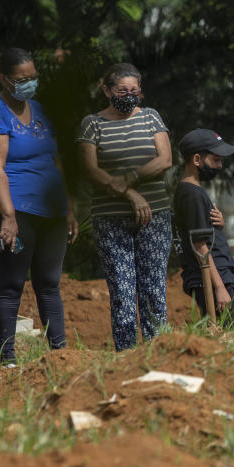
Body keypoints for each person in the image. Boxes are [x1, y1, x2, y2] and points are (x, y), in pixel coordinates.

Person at [0, 48, 78, 366]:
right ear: (3, 79)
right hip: (13, 209)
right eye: (22, 79)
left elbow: (57, 162)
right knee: (12, 282)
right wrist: (8, 216)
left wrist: (68, 208)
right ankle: (8, 360)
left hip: (51, 209)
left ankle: (59, 355)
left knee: (49, 282)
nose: (29, 83)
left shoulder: (42, 111)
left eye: (33, 77)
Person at [78, 63, 173, 351]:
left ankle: (157, 353)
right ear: (106, 90)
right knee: (121, 289)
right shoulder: (92, 124)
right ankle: (126, 356)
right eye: (122, 91)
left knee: (153, 288)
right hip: (110, 218)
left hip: (154, 217)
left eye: (134, 91)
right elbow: (90, 169)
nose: (129, 96)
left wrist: (130, 179)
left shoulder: (151, 118)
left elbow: (165, 159)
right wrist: (130, 194)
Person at [174, 128, 234, 330]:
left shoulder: (193, 192)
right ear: (197, 159)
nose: (220, 165)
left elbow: (200, 233)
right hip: (211, 280)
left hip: (214, 278)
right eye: (215, 160)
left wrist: (218, 226)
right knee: (230, 335)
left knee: (230, 333)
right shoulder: (192, 194)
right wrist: (219, 287)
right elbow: (199, 245)